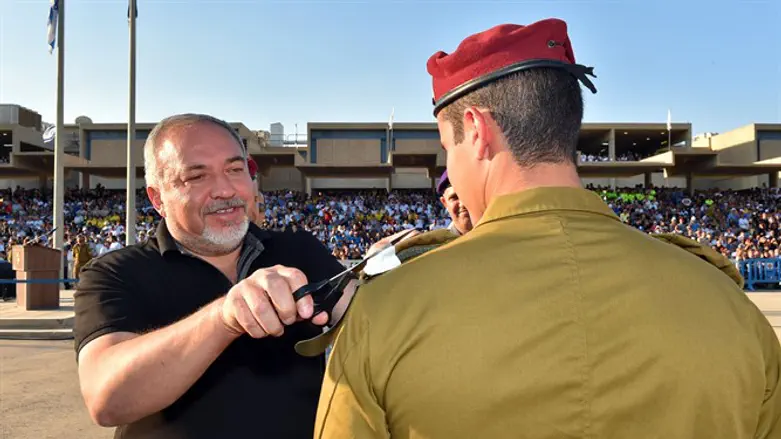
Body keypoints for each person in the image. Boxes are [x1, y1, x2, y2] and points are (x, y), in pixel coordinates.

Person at [314, 18, 781, 438]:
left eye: (446, 146)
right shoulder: (728, 306)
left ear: (475, 130)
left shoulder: (386, 309)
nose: (449, 170)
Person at [73, 113, 356, 439]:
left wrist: (397, 266)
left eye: (235, 170)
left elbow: (372, 323)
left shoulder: (300, 251)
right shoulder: (113, 273)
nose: (225, 189)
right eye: (196, 177)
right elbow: (107, 399)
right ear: (157, 199)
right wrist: (224, 317)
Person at [436, 170, 472, 235]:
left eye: (468, 194)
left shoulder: (495, 240)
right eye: (454, 197)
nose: (462, 204)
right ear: (444, 203)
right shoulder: (439, 243)